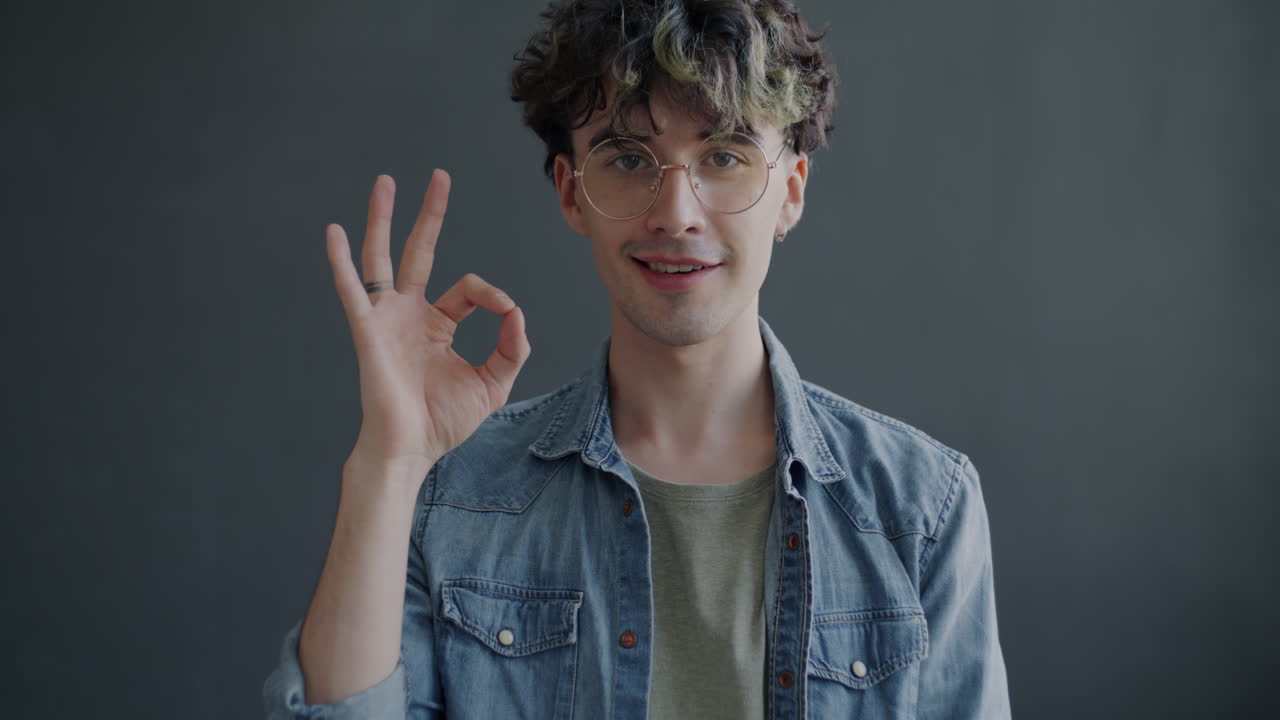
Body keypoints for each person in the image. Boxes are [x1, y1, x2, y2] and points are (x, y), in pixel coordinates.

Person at [263, 0, 1011, 717]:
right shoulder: (453, 493)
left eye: (725, 155)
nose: (676, 214)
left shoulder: (921, 508)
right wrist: (389, 463)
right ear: (571, 193)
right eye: (626, 158)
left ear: (790, 192)